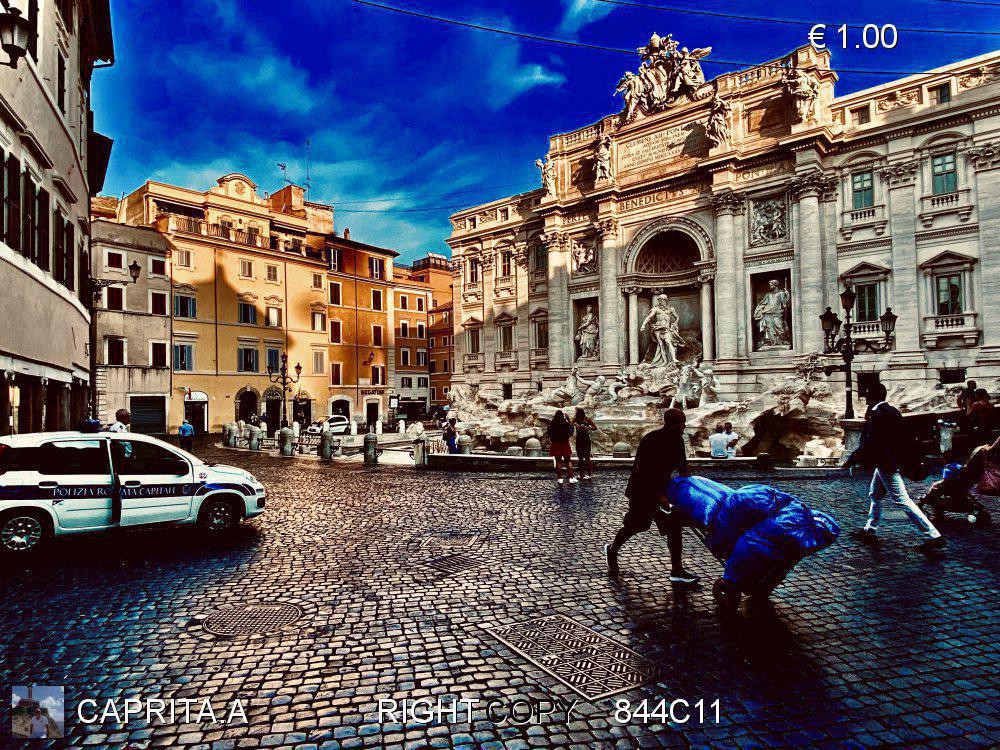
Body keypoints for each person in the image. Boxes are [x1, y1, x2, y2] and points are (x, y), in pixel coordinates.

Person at [845, 382, 944, 551]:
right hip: (889, 461)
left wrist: (851, 460)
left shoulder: (879, 415)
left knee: (902, 500)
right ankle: (870, 529)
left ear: (874, 396)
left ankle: (933, 535)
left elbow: (871, 443)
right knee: (875, 494)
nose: (865, 396)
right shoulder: (891, 411)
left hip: (886, 463)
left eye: (867, 393)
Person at [605, 408, 699, 584]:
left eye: (684, 422)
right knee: (636, 525)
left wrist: (690, 486)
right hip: (642, 491)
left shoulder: (678, 440)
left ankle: (677, 570)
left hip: (664, 490)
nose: (683, 426)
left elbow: (683, 467)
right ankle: (612, 549)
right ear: (670, 423)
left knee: (673, 526)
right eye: (680, 423)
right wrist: (659, 495)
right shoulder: (651, 440)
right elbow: (643, 472)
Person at [548, 410, 576, 484]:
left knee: (558, 461)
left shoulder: (552, 424)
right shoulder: (565, 423)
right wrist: (568, 418)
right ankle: (571, 477)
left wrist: (552, 439)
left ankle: (560, 479)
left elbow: (550, 433)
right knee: (568, 460)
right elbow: (571, 428)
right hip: (564, 443)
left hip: (556, 444)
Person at [573, 408, 597, 480]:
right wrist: (575, 424)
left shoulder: (585, 420)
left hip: (581, 440)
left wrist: (587, 428)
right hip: (584, 440)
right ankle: (588, 474)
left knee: (581, 458)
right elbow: (595, 427)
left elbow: (594, 427)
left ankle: (582, 475)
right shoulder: (585, 420)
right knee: (586, 458)